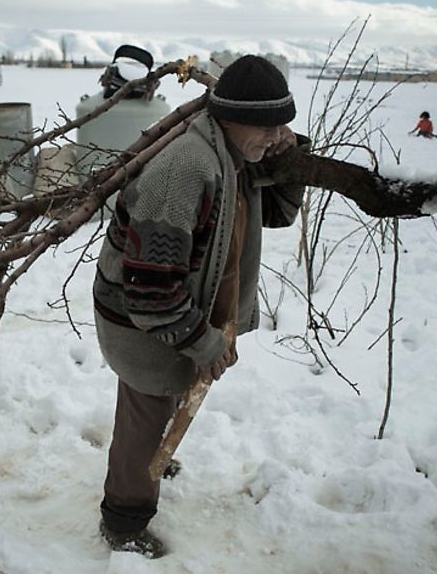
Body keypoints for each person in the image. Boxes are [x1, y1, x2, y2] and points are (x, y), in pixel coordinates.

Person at [92, 55, 306, 558]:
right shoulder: (185, 168)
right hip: (141, 324)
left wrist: (290, 161)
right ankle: (122, 520)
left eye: (284, 125)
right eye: (270, 126)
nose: (277, 136)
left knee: (161, 404)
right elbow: (150, 290)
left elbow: (275, 213)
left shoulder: (232, 155)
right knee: (146, 414)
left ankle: (150, 463)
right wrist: (204, 342)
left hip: (175, 314)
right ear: (232, 116)